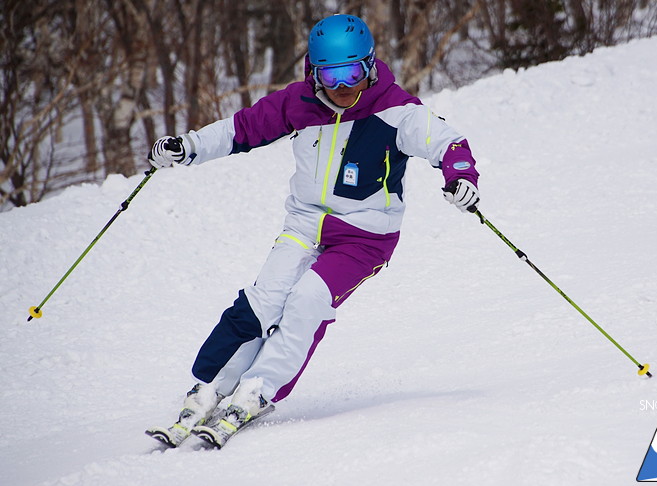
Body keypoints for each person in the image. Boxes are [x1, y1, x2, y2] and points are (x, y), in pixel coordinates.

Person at [146, 13, 480, 447]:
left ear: (371, 66)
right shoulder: (299, 103)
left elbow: (448, 143)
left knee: (306, 301)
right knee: (262, 300)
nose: (343, 87)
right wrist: (188, 147)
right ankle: (208, 387)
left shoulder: (397, 111)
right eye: (331, 75)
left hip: (365, 237)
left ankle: (257, 390)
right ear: (312, 72)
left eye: (353, 72)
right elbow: (240, 130)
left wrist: (461, 178)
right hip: (305, 224)